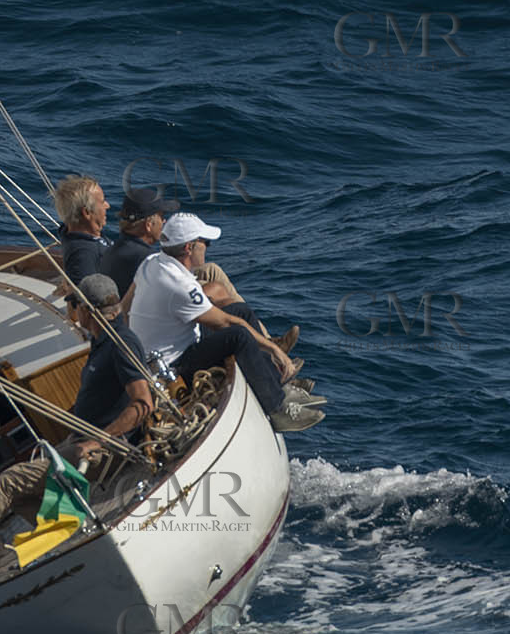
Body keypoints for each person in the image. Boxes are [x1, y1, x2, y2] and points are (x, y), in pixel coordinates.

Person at [128, 213, 324, 433]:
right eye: (206, 243)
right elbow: (227, 324)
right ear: (189, 248)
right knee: (239, 335)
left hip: (157, 348)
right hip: (174, 364)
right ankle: (278, 409)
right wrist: (273, 348)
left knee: (240, 310)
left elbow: (125, 305)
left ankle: (276, 381)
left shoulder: (152, 262)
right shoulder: (181, 286)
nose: (208, 248)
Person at [64, 274, 155, 466]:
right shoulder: (101, 340)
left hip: (106, 449)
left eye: (75, 306)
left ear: (86, 311)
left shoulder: (120, 344)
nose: (74, 312)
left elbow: (144, 404)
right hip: (81, 438)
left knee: (8, 482)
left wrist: (96, 441)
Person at [99, 187, 178, 295]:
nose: (164, 221)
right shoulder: (149, 259)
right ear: (148, 225)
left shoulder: (111, 249)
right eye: (162, 217)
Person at [51, 175, 111, 282]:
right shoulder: (84, 253)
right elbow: (86, 293)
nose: (107, 206)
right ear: (87, 212)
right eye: (102, 202)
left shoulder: (74, 233)